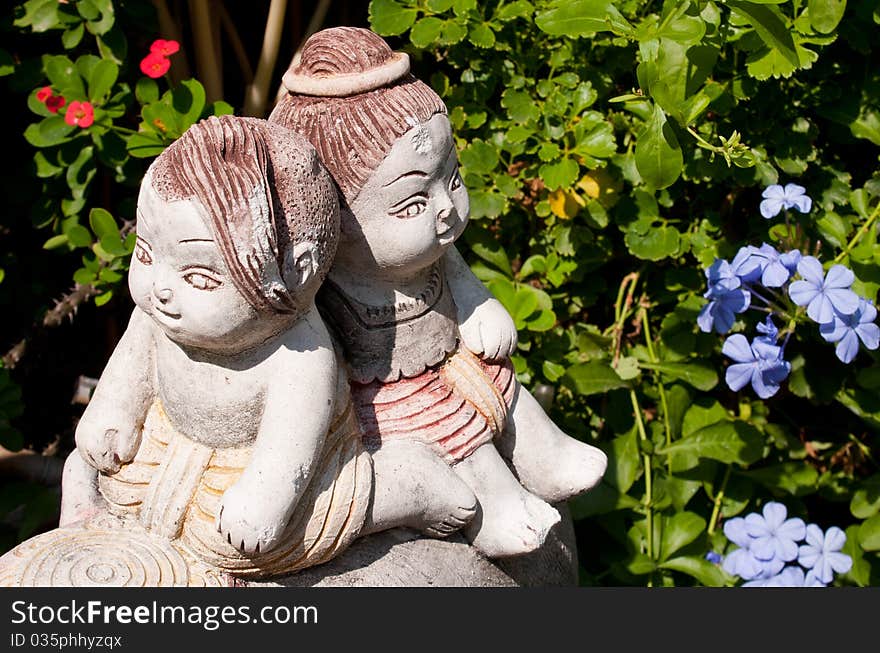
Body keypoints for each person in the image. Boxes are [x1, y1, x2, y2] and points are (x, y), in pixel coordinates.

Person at [61, 115, 481, 578]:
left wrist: (266, 498)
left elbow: (288, 452)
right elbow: (129, 367)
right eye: (145, 253)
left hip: (277, 469)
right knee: (97, 475)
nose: (158, 286)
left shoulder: (300, 354)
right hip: (174, 444)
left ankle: (404, 485)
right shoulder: (159, 312)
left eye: (199, 276)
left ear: (295, 274)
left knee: (243, 546)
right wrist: (113, 411)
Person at [269, 27, 607, 557]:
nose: (446, 208)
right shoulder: (325, 288)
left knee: (499, 379)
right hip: (386, 399)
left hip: (450, 357)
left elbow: (460, 279)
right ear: (329, 218)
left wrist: (478, 303)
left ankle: (543, 454)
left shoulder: (437, 254)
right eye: (410, 204)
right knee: (444, 426)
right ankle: (495, 505)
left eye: (451, 179)